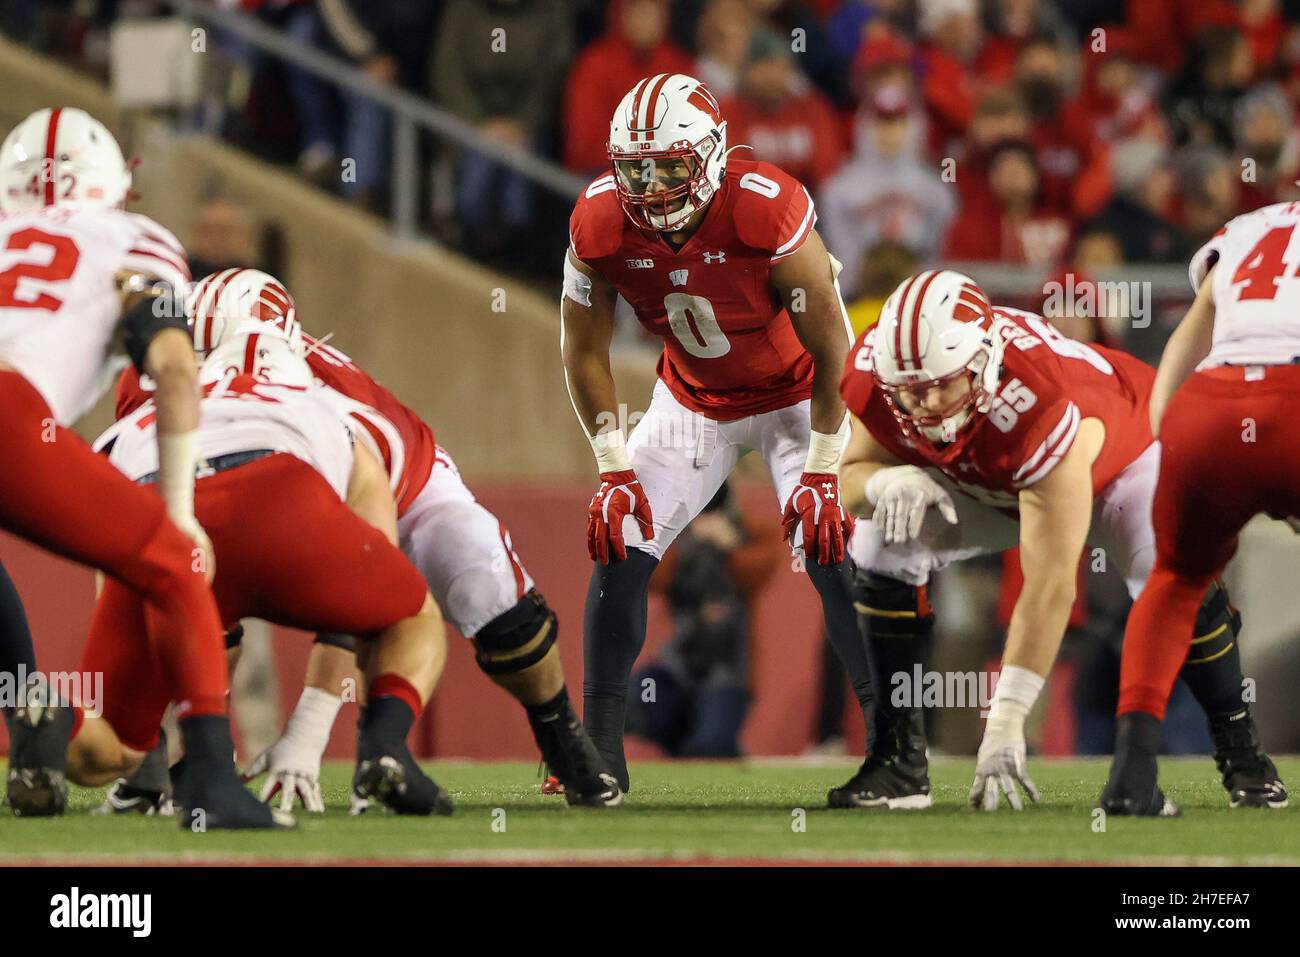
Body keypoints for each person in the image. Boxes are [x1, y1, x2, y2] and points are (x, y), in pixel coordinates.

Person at [113, 269, 621, 810]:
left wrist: (309, 729)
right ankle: (179, 758)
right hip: (291, 493)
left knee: (486, 591)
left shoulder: (323, 402)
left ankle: (554, 730)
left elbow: (363, 570)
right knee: (197, 599)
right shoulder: (154, 382)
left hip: (403, 492)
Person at [834, 268, 1282, 811]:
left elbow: (1049, 586)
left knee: (1168, 582)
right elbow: (851, 479)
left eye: (938, 384)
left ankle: (1244, 757)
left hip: (1125, 460)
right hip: (1000, 480)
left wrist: (1006, 721)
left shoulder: (1041, 403)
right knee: (880, 536)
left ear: (983, 363)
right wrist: (885, 481)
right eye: (909, 392)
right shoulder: (880, 372)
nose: (924, 405)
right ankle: (898, 764)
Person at [561, 73, 872, 793]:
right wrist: (612, 465)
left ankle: (892, 749)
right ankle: (598, 755)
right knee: (621, 538)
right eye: (636, 167)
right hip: (694, 398)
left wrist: (824, 468)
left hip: (799, 395)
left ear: (708, 154)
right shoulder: (599, 221)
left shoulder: (764, 204)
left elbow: (835, 349)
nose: (651, 184)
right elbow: (582, 353)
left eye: (669, 164)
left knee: (834, 549)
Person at [0, 107, 277, 828]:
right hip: (9, 413)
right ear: (112, 184)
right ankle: (214, 775)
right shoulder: (135, 237)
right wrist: (180, 509)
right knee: (175, 560)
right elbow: (174, 365)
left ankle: (32, 705)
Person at [86, 329, 454, 816]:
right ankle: (386, 746)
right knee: (413, 614)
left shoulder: (144, 415)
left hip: (162, 519)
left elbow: (109, 554)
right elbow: (364, 600)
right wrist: (308, 733)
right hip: (283, 496)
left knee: (106, 750)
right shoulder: (328, 406)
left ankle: (56, 736)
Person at [1100, 201, 1300, 815]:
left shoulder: (1252, 226)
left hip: (1209, 406)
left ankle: (1132, 773)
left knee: (1175, 581)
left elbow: (1191, 333)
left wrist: (1164, 434)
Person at [627, 482, 783, 758]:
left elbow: (760, 568)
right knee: (630, 704)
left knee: (709, 747)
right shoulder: (675, 534)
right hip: (676, 662)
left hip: (728, 668)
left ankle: (721, 749)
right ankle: (688, 743)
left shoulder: (751, 533)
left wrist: (729, 544)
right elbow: (650, 577)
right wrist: (681, 532)